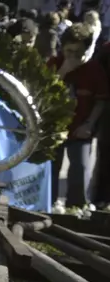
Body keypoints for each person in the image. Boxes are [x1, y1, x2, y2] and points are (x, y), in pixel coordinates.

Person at [48, 23, 108, 208]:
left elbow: (101, 100)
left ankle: (76, 207)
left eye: (78, 52)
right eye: (69, 51)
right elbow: (43, 91)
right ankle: (48, 204)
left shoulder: (94, 70)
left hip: (80, 128)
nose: (73, 56)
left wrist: (89, 124)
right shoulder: (54, 64)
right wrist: (63, 71)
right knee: (50, 168)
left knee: (80, 169)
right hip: (53, 128)